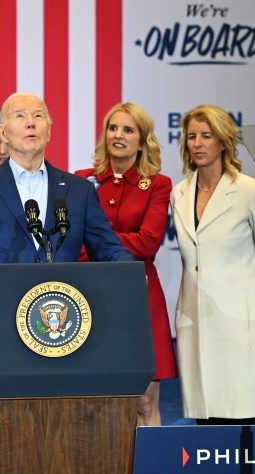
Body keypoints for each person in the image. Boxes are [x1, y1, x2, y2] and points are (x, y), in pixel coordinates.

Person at [0, 92, 133, 298]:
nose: (31, 123)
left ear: (49, 132)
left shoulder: (80, 191)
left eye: (38, 116)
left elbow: (108, 249)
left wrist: (130, 271)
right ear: (3, 132)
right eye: (20, 116)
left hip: (61, 316)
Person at [171, 104, 255, 424]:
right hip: (194, 316)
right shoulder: (180, 192)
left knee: (244, 415)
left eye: (207, 135)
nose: (198, 143)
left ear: (223, 142)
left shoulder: (251, 192)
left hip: (242, 322)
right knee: (206, 420)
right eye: (192, 136)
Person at [75, 102, 176, 426]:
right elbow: (74, 245)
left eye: (128, 130)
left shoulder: (158, 184)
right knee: (100, 403)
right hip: (91, 296)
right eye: (113, 128)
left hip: (141, 297)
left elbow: (149, 242)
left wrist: (98, 240)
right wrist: (108, 242)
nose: (118, 135)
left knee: (145, 403)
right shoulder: (80, 181)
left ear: (142, 139)